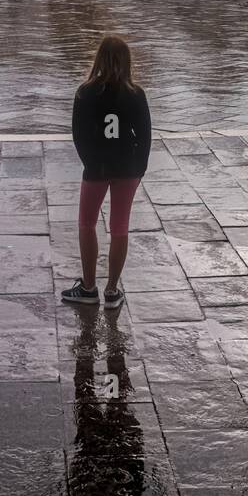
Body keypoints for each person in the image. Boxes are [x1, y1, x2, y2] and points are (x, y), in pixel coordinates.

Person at [62, 35, 152, 310]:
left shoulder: (85, 92)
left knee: (87, 224)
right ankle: (112, 290)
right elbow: (145, 135)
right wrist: (140, 169)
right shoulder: (136, 94)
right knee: (120, 227)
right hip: (127, 167)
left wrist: (90, 162)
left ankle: (89, 287)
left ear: (98, 59)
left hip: (97, 166)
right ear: (127, 61)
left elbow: (79, 135)